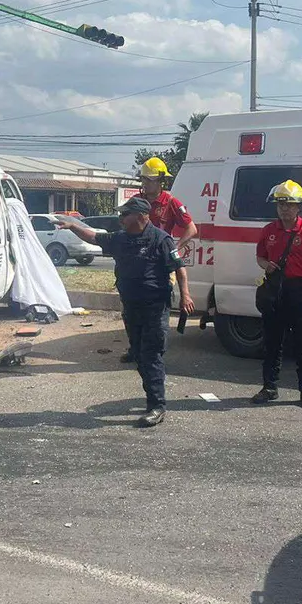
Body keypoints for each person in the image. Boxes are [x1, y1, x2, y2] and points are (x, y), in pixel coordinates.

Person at [57, 196, 195, 428]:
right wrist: (73, 226)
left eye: (125, 214)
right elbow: (94, 237)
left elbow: (179, 269)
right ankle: (153, 396)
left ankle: (157, 406)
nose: (120, 218)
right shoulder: (120, 239)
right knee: (140, 355)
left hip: (154, 305)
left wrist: (186, 296)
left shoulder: (161, 240)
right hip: (131, 306)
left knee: (151, 355)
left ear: (141, 216)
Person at [253, 180, 302, 410]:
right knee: (272, 342)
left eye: (289, 205)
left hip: (299, 290)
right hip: (275, 290)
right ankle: (270, 387)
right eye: (281, 205)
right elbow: (260, 257)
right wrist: (266, 265)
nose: (284, 209)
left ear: (299, 207)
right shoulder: (269, 231)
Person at [120, 156, 199, 364]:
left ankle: (154, 352)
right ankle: (135, 348)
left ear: (160, 181)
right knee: (130, 310)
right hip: (136, 262)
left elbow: (192, 229)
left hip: (160, 264)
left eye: (148, 180)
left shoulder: (171, 203)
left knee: (157, 310)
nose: (144, 184)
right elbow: (124, 226)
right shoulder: (136, 202)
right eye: (143, 180)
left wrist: (175, 247)